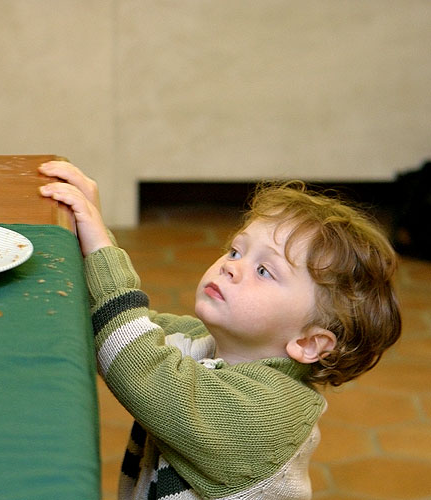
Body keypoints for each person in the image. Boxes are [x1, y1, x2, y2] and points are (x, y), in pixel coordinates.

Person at [38, 161, 401, 499]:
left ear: (308, 343)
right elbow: (115, 329)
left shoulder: (264, 418)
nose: (231, 267)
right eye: (235, 251)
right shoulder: (201, 342)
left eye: (264, 271)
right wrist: (81, 237)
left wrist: (101, 246)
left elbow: (141, 368)